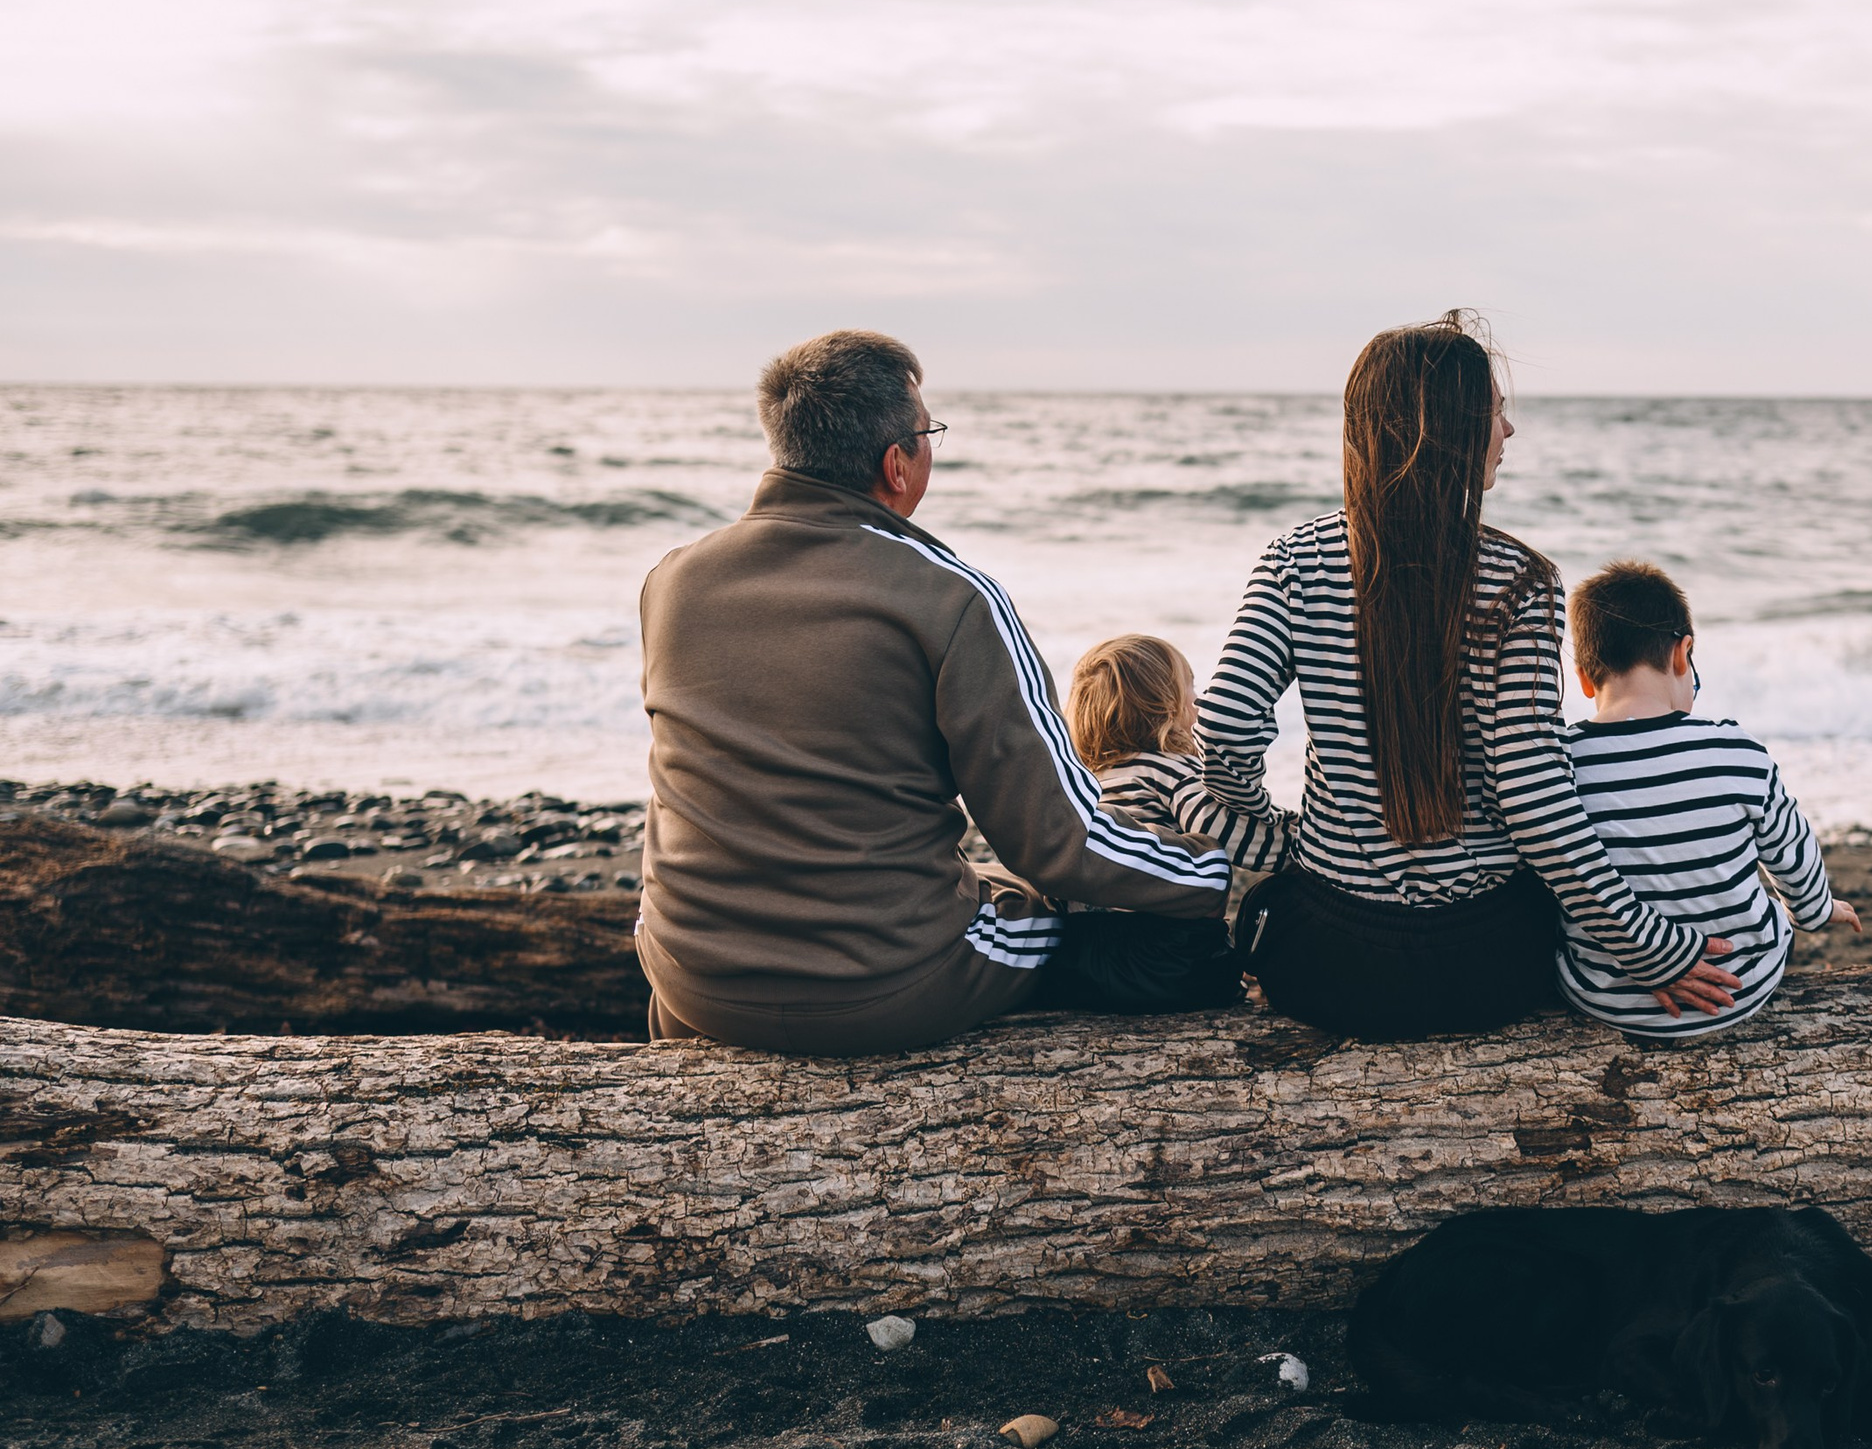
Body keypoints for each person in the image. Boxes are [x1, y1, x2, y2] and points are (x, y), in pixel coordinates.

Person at [635, 330, 1232, 1054]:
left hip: (689, 971)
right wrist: (1222, 872)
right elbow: (1058, 841)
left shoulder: (673, 580)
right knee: (1078, 924)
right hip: (879, 987)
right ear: (897, 464)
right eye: (928, 434)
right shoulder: (950, 599)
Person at [1193, 310, 1741, 1039]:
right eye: (1495, 412)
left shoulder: (1296, 561)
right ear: (1445, 429)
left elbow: (1224, 725)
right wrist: (1650, 949)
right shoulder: (1520, 582)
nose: (1508, 432)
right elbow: (1535, 797)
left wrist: (1279, 832)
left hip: (1326, 965)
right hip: (1486, 969)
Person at [1559, 560, 1860, 1040]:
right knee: (1770, 913)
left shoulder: (1562, 764)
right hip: (1743, 985)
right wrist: (1816, 910)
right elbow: (1792, 851)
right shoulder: (1734, 749)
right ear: (1683, 654)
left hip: (1608, 998)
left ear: (1584, 680)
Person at [1038, 634, 1294, 1013]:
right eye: (1191, 687)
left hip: (1080, 954)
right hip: (1165, 959)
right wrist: (1304, 846)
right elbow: (1224, 832)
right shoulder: (1172, 769)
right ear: (1167, 706)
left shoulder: (1086, 782)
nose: (1198, 699)